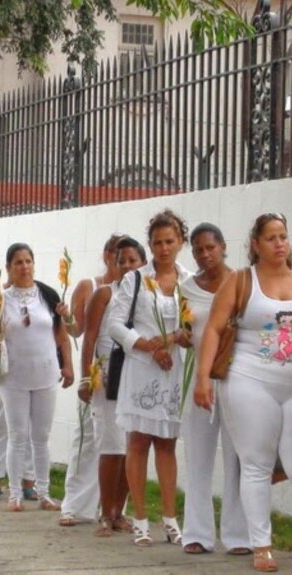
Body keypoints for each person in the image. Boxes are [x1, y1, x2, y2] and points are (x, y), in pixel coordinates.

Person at [195, 213, 292, 572]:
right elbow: (213, 331)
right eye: (271, 238)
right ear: (255, 244)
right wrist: (203, 378)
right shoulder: (241, 281)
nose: (279, 243)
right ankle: (261, 544)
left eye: (283, 236)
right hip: (249, 379)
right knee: (256, 462)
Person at [0, 242, 74, 511]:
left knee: (41, 436)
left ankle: (43, 492)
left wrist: (68, 366)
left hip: (46, 372)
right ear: (8, 268)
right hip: (13, 375)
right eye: (18, 262)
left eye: (28, 261)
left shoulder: (47, 295)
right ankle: (14, 493)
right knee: (17, 435)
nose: (24, 267)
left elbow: (63, 335)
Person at [108, 210, 191, 547]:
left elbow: (194, 323)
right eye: (157, 242)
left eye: (170, 241)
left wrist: (179, 338)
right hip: (142, 368)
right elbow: (115, 324)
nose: (164, 247)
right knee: (139, 442)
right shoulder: (136, 279)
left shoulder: (190, 279)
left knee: (167, 444)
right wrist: (146, 346)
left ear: (181, 242)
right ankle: (140, 518)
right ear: (150, 244)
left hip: (173, 370)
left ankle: (170, 519)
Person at [181, 223, 250, 556]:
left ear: (223, 246)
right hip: (199, 377)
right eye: (198, 249)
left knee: (238, 457)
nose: (205, 254)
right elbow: (183, 330)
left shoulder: (243, 282)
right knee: (198, 456)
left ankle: (239, 535)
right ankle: (197, 533)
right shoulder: (186, 288)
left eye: (210, 247)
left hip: (238, 376)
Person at [80, 235, 145, 536]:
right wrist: (85, 377)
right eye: (123, 261)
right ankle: (106, 513)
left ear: (143, 263)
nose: (129, 266)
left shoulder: (150, 294)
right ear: (114, 264)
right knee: (112, 447)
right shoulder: (105, 294)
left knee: (133, 447)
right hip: (107, 375)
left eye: (134, 260)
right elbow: (90, 338)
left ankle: (120, 511)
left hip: (138, 376)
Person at [59, 235, 124, 528]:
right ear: (107, 255)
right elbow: (78, 331)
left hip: (125, 374)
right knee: (87, 440)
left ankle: (109, 508)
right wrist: (67, 318)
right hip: (98, 372)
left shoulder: (134, 289)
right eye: (117, 255)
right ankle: (73, 505)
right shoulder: (91, 286)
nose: (121, 262)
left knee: (118, 444)